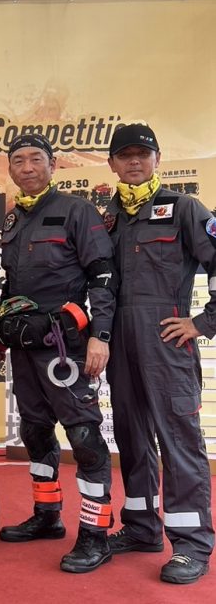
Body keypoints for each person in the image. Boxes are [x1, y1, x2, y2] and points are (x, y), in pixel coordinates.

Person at [0, 133, 117, 573]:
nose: (27, 167)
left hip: (65, 346)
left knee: (84, 438)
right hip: (24, 346)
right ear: (11, 169)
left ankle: (95, 534)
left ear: (53, 165)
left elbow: (103, 276)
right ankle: (47, 516)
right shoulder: (13, 219)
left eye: (35, 159)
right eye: (18, 160)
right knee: (35, 432)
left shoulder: (77, 211)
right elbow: (11, 287)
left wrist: (101, 335)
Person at [103, 123, 214, 585]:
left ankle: (191, 545)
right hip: (119, 342)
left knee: (179, 441)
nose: (134, 161)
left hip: (166, 341)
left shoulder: (184, 208)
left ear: (157, 160)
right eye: (125, 155)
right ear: (112, 163)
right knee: (131, 437)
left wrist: (202, 323)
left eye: (142, 154)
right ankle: (141, 527)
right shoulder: (108, 217)